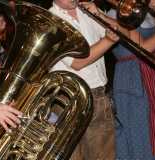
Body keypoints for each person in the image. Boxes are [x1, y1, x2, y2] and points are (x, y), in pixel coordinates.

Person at [48, 0, 131, 159]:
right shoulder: (50, 20)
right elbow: (77, 62)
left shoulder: (87, 10)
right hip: (69, 99)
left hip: (99, 96)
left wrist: (99, 15)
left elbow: (126, 34)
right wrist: (107, 40)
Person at [106, 0, 155, 159]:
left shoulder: (142, 13)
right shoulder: (116, 16)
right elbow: (144, 48)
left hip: (154, 70)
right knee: (141, 123)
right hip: (134, 74)